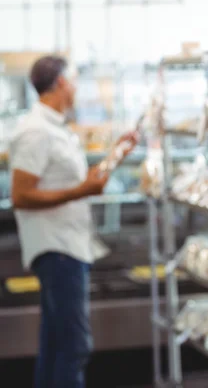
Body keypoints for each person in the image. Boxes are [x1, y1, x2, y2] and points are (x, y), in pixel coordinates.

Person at [8, 55, 139, 388]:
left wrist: (117, 154)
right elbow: (21, 195)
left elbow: (82, 180)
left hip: (69, 245)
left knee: (55, 344)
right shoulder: (36, 131)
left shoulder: (54, 128)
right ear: (62, 83)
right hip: (57, 249)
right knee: (75, 346)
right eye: (76, 80)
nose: (78, 88)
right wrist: (82, 190)